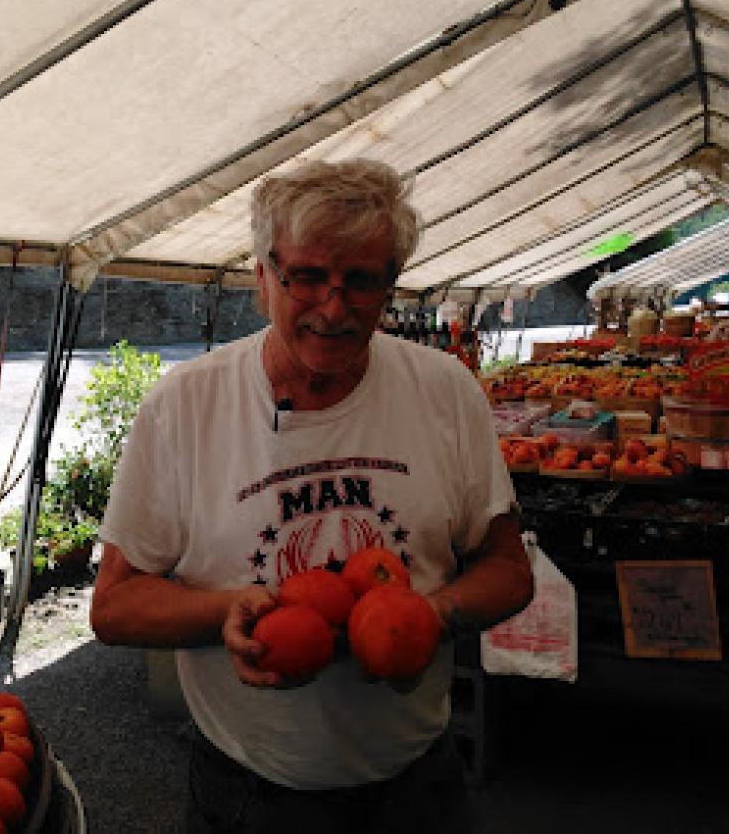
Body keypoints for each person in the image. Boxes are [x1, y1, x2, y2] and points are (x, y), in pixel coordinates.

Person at [90, 159, 534, 834]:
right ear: (263, 277)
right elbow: (115, 606)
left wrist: (428, 617)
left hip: (418, 783)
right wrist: (229, 612)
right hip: (249, 791)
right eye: (307, 276)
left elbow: (509, 569)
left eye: (362, 280)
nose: (334, 307)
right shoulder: (186, 405)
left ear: (390, 284)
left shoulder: (445, 390)